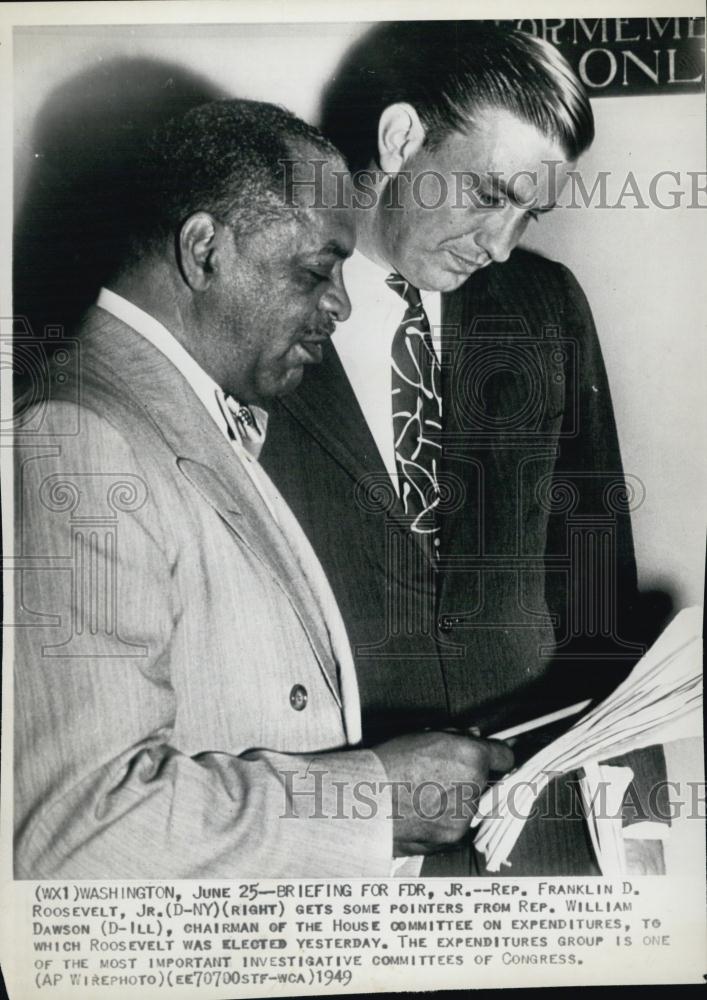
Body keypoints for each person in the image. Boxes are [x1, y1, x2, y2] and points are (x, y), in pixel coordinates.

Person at [12, 99, 513, 880]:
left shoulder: (182, 412)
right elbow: (82, 828)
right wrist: (376, 799)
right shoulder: (80, 439)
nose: (341, 306)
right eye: (316, 271)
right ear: (204, 249)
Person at [261, 23, 667, 876]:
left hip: (539, 822)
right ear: (402, 137)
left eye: (527, 211)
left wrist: (632, 805)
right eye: (488, 193)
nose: (501, 242)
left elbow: (595, 561)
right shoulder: (258, 314)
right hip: (336, 828)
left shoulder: (544, 303)